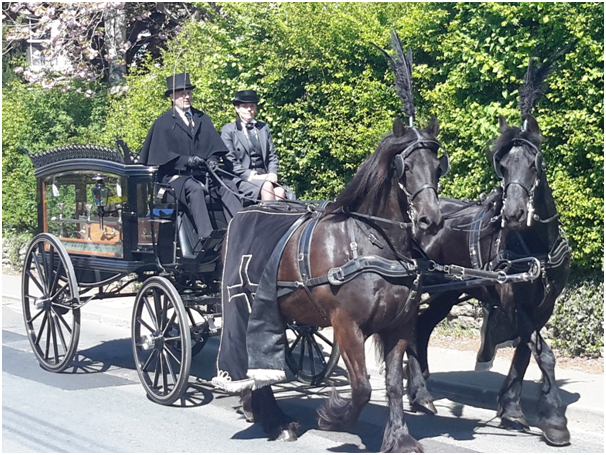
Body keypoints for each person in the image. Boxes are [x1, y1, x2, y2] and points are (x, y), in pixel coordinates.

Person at [139, 72, 242, 241]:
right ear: (172, 97)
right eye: (181, 93)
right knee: (194, 188)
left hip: (202, 174)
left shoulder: (202, 118)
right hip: (174, 178)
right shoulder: (163, 123)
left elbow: (214, 148)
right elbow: (161, 155)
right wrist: (187, 161)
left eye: (188, 93)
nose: (186, 96)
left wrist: (213, 160)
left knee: (227, 185)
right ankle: (206, 237)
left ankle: (240, 230)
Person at [221, 90, 287, 201]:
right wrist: (253, 176)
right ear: (237, 108)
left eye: (252, 106)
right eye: (244, 106)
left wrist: (272, 173)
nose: (249, 109)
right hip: (242, 179)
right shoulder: (228, 130)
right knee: (266, 186)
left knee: (280, 191)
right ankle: (267, 218)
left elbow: (272, 156)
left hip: (265, 176)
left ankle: (275, 218)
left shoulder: (263, 128)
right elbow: (230, 162)